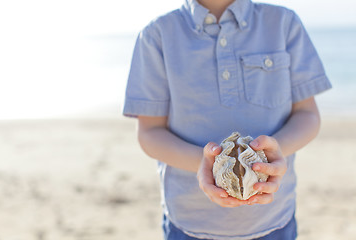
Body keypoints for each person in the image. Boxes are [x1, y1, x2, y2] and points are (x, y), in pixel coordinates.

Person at [123, 0, 332, 239]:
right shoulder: (157, 35)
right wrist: (209, 165)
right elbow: (150, 132)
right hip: (189, 221)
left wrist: (270, 157)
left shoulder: (283, 23)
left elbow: (307, 115)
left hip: (274, 219)